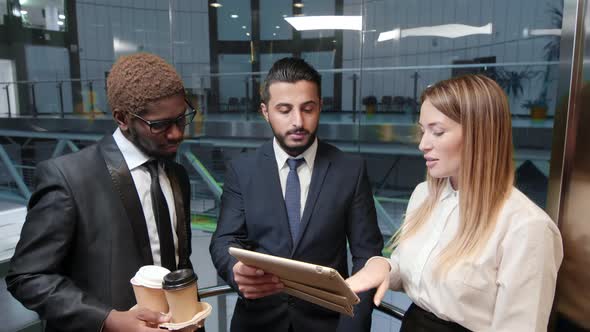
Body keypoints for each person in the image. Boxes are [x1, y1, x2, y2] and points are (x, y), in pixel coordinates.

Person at [346, 74, 563, 332]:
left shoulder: (527, 227)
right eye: (422, 131)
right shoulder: (424, 195)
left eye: (437, 132)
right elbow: (410, 269)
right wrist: (383, 266)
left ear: (480, 134)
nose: (422, 144)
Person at [6, 53, 199, 332]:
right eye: (160, 125)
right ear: (122, 118)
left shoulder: (176, 174)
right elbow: (27, 276)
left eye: (182, 119)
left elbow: (180, 261)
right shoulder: (68, 177)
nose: (177, 134)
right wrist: (108, 319)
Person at [209, 57, 383, 332]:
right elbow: (224, 239)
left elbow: (367, 257)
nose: (298, 121)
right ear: (265, 111)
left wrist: (353, 328)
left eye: (308, 109)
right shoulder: (242, 170)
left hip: (326, 324)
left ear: (320, 107)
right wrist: (235, 269)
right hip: (257, 323)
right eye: (284, 110)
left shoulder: (351, 171)